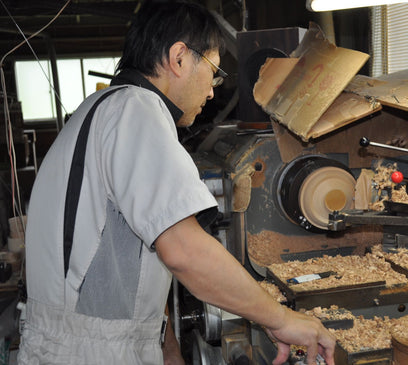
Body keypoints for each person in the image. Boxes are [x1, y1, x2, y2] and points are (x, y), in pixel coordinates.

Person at [17, 2, 336, 365]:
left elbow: (128, 260)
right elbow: (183, 250)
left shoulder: (99, 108)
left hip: (75, 343)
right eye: (214, 72)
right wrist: (281, 319)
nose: (213, 91)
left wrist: (167, 349)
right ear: (180, 58)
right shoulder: (136, 111)